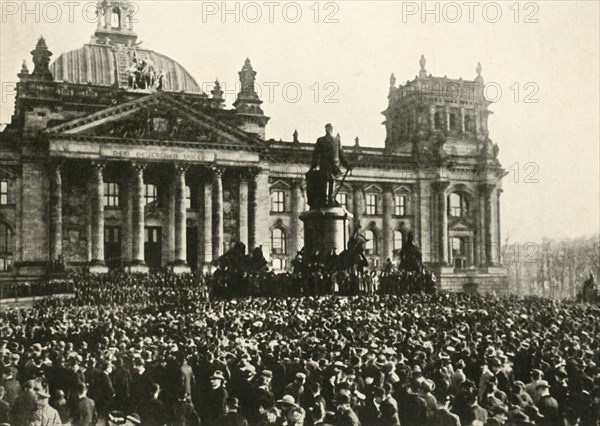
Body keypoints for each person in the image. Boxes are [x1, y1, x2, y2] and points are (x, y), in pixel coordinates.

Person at [309, 123, 352, 207]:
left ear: (330, 129)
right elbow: (316, 154)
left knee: (329, 181)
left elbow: (340, 155)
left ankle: (329, 199)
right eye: (326, 128)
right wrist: (314, 165)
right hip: (328, 165)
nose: (327, 130)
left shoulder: (334, 140)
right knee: (327, 182)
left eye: (328, 128)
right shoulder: (323, 140)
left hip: (331, 165)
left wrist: (347, 165)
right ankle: (328, 200)